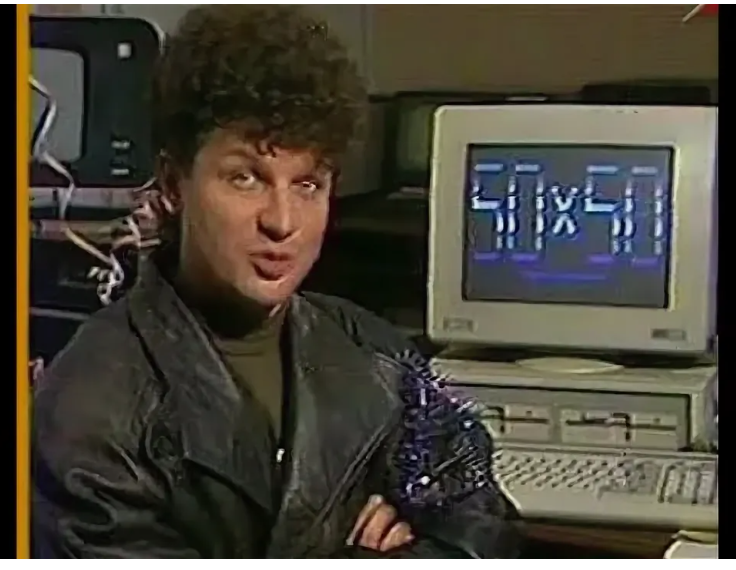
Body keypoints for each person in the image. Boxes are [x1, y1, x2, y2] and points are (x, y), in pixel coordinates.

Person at [32, 5, 522, 558]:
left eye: (308, 184)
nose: (283, 222)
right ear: (172, 184)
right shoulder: (91, 411)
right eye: (246, 178)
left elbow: (484, 521)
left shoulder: (374, 352)